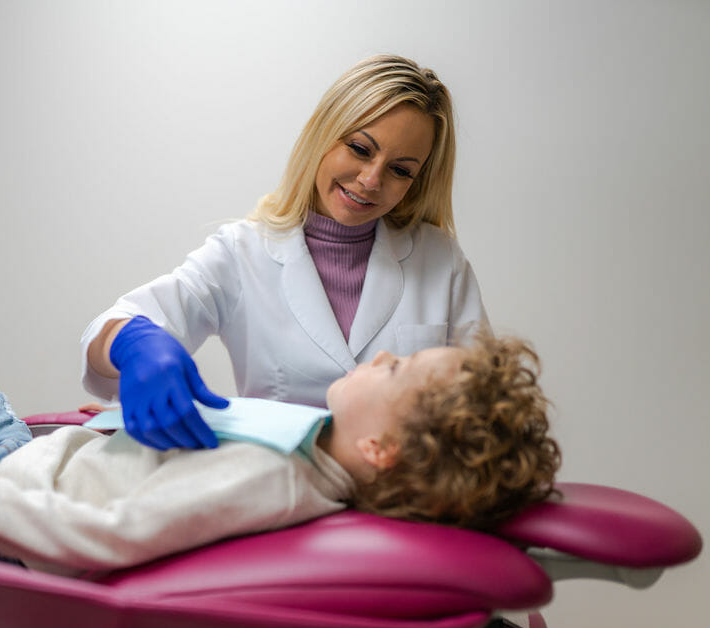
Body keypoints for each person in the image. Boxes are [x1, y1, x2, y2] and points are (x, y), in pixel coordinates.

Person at [0, 331, 559, 578]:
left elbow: (106, 535)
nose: (383, 358)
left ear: (379, 448)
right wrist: (116, 425)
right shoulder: (298, 445)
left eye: (401, 369)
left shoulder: (274, 480)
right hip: (36, 454)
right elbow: (161, 472)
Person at [81, 53, 486, 452]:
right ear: (323, 135)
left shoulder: (440, 260)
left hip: (399, 493)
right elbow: (112, 328)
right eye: (361, 149)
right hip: (278, 486)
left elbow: (486, 400)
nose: (370, 179)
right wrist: (134, 344)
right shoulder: (242, 253)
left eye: (400, 170)